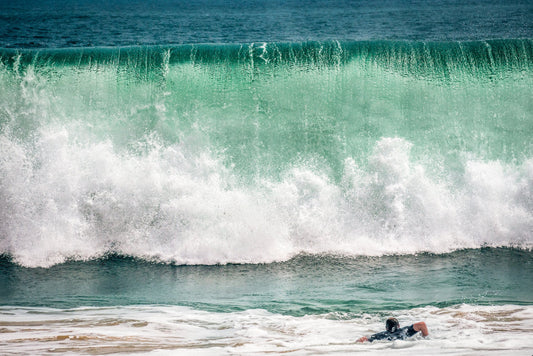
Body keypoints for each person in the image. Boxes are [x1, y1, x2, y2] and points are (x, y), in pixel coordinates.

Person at [356, 317, 428, 343]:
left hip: (389, 346)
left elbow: (363, 339)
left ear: (386, 328)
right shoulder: (405, 331)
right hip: (402, 346)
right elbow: (422, 324)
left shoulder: (381, 335)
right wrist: (424, 338)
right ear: (398, 325)